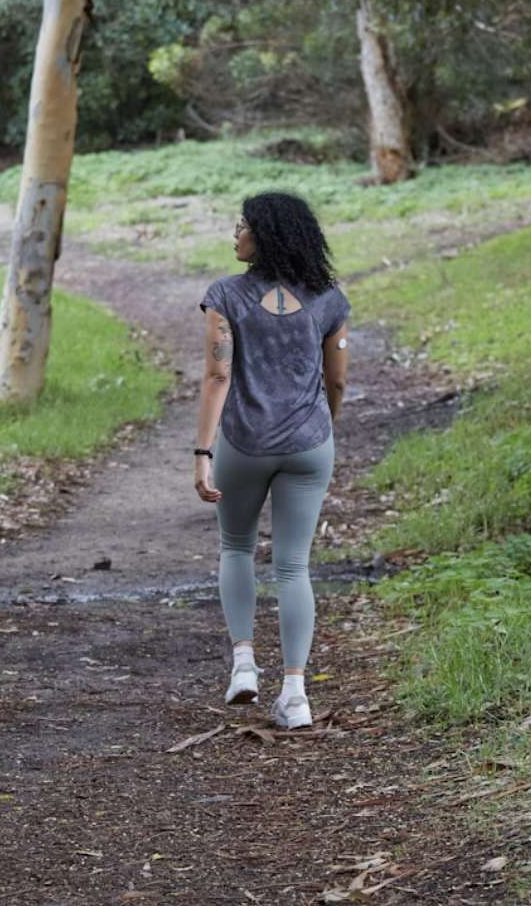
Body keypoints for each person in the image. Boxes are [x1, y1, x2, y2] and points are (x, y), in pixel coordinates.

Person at [193, 191, 351, 730]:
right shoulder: (328, 297)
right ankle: (295, 694)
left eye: (241, 226)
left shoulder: (226, 296)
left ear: (264, 235)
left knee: (235, 546)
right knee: (293, 567)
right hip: (308, 446)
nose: (234, 235)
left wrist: (202, 452)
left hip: (243, 443)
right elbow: (337, 378)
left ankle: (243, 665)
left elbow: (218, 377)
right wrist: (322, 424)